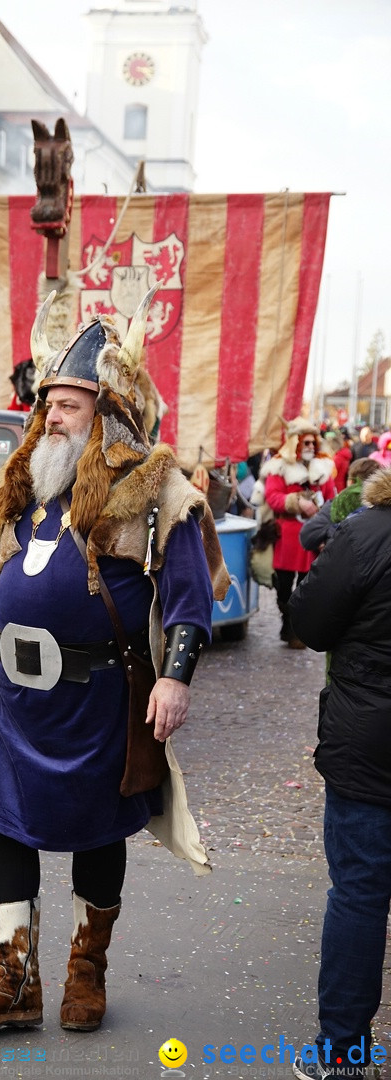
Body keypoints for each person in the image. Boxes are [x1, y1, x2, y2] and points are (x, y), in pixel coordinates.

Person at [0, 289, 230, 1034]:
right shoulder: (23, 487)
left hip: (101, 695)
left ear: (104, 414)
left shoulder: (155, 489)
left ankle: (84, 974)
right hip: (18, 697)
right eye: (50, 403)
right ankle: (14, 983)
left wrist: (176, 677)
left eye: (69, 404)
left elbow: (190, 596)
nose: (52, 416)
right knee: (5, 826)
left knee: (100, 834)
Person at [287, 465, 391, 1079]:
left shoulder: (365, 532)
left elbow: (311, 623)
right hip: (369, 738)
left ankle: (344, 1054)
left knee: (359, 891)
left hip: (369, 742)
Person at [257, 418, 336, 648]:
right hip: (287, 537)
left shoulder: (323, 468)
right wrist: (296, 502)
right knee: (284, 587)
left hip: (313, 538)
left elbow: (332, 497)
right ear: (296, 443)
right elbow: (273, 497)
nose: (311, 447)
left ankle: (296, 630)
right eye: (306, 442)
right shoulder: (279, 467)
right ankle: (286, 621)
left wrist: (324, 513)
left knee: (306, 587)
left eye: (314, 442)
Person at [299, 458, 381, 554]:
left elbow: (307, 537)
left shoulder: (339, 505)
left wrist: (329, 534)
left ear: (350, 482)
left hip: (344, 564)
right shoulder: (385, 506)